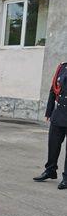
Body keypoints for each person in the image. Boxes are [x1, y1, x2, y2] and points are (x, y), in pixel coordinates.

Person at [33, 61, 67, 189]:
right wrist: (49, 111)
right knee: (53, 144)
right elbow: (53, 89)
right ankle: (50, 170)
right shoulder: (62, 67)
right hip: (58, 114)